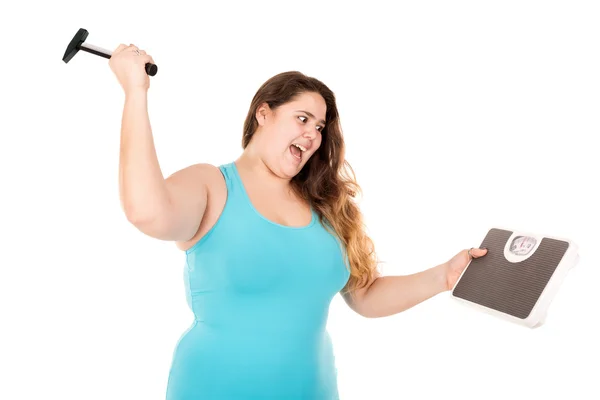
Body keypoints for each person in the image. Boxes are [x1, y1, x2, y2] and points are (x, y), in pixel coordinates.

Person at [109, 43, 489, 399]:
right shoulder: (212, 184)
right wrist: (135, 92)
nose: (312, 134)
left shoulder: (327, 206)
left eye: (320, 127)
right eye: (302, 118)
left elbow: (365, 296)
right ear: (263, 113)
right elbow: (146, 211)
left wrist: (443, 276)